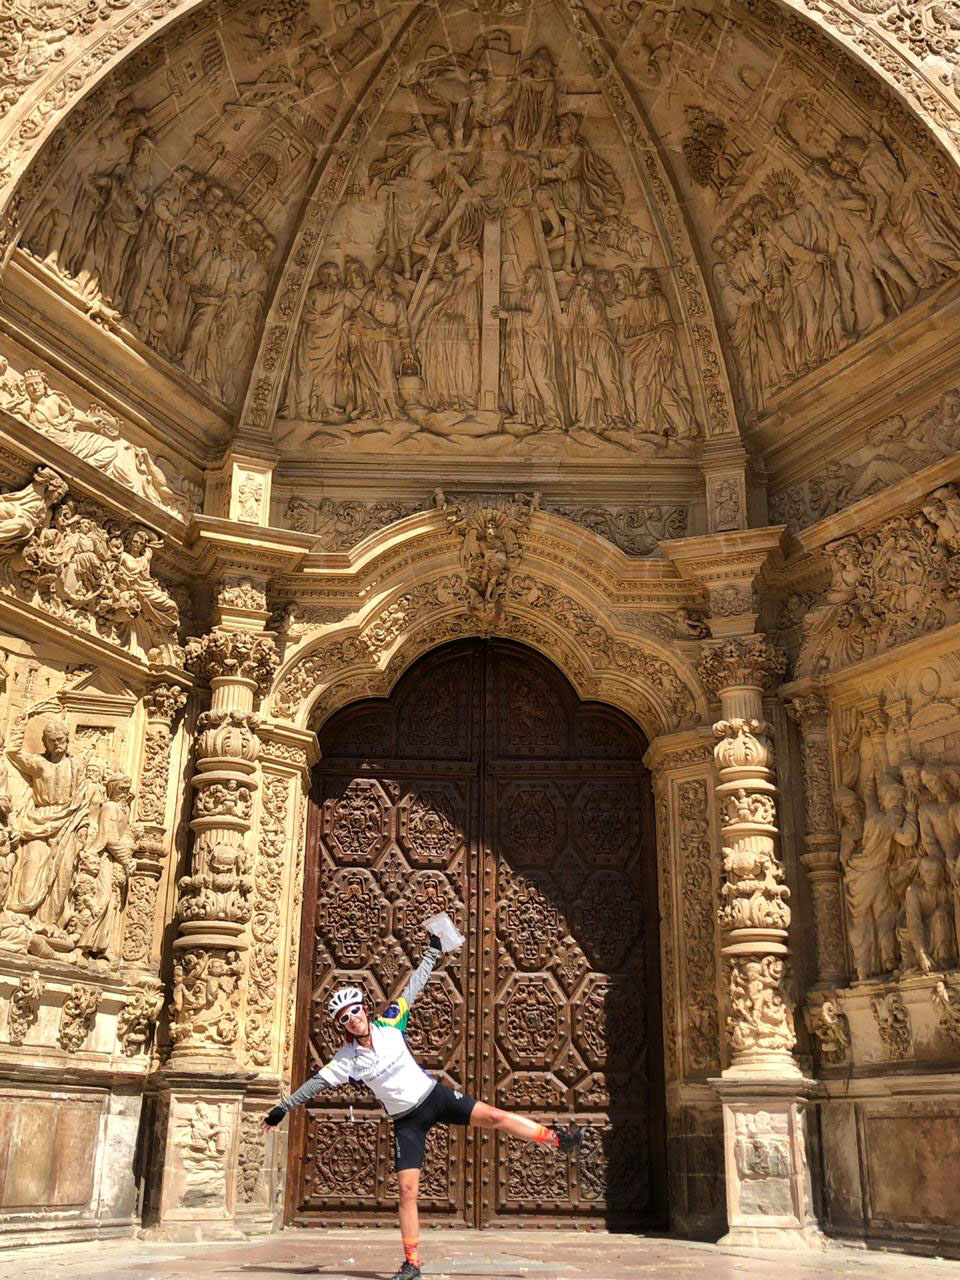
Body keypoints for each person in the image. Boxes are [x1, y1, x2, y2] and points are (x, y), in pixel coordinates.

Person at [263, 931, 584, 1280]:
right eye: (344, 1017)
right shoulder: (345, 1060)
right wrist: (284, 1107)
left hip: (434, 1097)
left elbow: (414, 986)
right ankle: (411, 1262)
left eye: (355, 1010)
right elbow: (315, 1084)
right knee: (406, 1191)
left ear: (364, 1009)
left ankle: (557, 1140)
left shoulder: (390, 1022)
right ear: (341, 1026)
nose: (352, 1018)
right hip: (407, 1121)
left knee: (494, 1116)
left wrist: (433, 950)